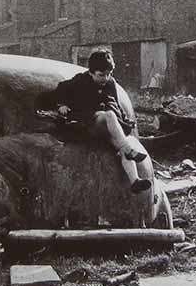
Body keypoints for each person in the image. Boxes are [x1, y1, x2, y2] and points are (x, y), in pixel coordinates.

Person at [42, 50, 151, 194]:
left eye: (108, 74)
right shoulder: (80, 80)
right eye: (101, 75)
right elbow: (61, 88)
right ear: (91, 72)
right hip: (88, 124)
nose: (105, 78)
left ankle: (135, 180)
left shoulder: (111, 83)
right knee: (109, 116)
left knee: (122, 145)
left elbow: (116, 104)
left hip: (108, 128)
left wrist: (125, 120)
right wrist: (61, 104)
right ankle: (127, 149)